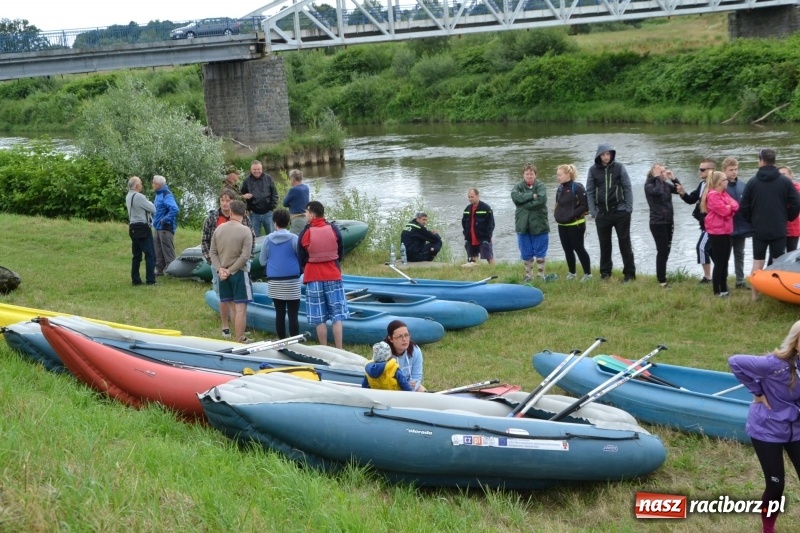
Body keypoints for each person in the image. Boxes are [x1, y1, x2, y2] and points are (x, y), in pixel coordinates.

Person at [729, 320, 800, 533]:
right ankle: (768, 528)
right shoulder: (773, 365)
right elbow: (735, 362)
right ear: (796, 343)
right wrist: (758, 393)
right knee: (776, 484)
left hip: (795, 429)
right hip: (767, 430)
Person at [739, 149, 800, 301]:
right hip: (779, 226)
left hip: (759, 227)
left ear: (761, 160)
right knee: (778, 262)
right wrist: (788, 217)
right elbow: (796, 203)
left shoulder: (753, 182)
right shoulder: (785, 181)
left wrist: (751, 220)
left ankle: (754, 296)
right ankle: (778, 295)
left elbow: (744, 206)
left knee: (757, 261)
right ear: (773, 161)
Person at [201, 190, 256, 338]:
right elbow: (245, 255)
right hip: (237, 271)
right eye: (222, 200)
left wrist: (221, 270)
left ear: (231, 211)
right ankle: (239, 338)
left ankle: (235, 332)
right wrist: (228, 270)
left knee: (231, 304)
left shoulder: (219, 229)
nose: (225, 203)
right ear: (243, 214)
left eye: (228, 201)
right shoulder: (244, 230)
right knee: (240, 308)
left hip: (223, 269)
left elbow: (212, 251)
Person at [298, 200, 350, 349]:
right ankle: (339, 348)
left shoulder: (306, 232)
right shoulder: (333, 228)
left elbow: (300, 255)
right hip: (332, 275)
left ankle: (325, 347)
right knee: (337, 316)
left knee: (319, 317)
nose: (305, 215)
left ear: (312, 214)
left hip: (314, 277)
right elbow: (340, 250)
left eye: (307, 212)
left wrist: (307, 266)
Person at [586, 144, 636, 282]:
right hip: (602, 214)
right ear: (599, 156)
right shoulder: (593, 170)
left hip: (620, 212)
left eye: (608, 154)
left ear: (612, 155)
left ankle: (629, 274)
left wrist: (628, 209)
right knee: (604, 244)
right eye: (603, 154)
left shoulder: (619, 168)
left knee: (624, 243)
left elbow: (627, 187)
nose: (606, 157)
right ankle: (605, 273)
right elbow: (589, 191)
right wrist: (593, 212)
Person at [259, 209, 301, 339]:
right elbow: (300, 256)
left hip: (275, 281)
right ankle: (295, 342)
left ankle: (282, 340)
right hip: (292, 281)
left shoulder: (267, 239)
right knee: (293, 314)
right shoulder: (294, 238)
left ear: (274, 223)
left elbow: (262, 261)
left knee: (279, 313)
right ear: (288, 222)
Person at [511, 163, 553, 282]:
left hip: (539, 223)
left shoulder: (541, 186)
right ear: (523, 175)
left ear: (535, 175)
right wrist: (531, 195)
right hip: (522, 223)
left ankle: (541, 275)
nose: (529, 176)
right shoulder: (518, 186)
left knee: (540, 249)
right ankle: (528, 275)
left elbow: (541, 200)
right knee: (525, 250)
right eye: (527, 173)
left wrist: (524, 204)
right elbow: (515, 197)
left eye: (531, 174)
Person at [677, 158, 716, 284]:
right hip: (705, 224)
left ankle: (708, 277)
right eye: (699, 169)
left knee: (701, 247)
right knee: (710, 250)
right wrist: (683, 194)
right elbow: (691, 199)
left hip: (713, 225)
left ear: (712, 171)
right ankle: (717, 274)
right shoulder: (703, 184)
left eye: (702, 170)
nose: (699, 172)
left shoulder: (717, 185)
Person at [702, 171, 739, 297]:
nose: (727, 181)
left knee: (725, 260)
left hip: (727, 230)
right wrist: (729, 208)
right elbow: (723, 211)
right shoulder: (712, 195)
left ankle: (724, 287)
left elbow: (735, 205)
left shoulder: (724, 194)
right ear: (719, 182)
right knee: (719, 262)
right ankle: (717, 290)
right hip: (717, 232)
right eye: (725, 180)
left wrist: (729, 207)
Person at [644, 163, 680, 288]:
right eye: (661, 171)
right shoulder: (649, 185)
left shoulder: (664, 184)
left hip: (668, 221)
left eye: (664, 171)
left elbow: (678, 190)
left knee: (667, 250)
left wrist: (673, 178)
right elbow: (657, 192)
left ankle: (662, 275)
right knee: (662, 251)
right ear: (654, 173)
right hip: (657, 222)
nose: (663, 173)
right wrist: (658, 177)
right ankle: (662, 280)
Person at [553, 164, 591, 282]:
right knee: (567, 249)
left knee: (579, 248)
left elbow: (585, 206)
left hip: (576, 224)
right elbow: (558, 204)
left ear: (568, 175)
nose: (557, 177)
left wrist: (572, 214)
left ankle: (587, 274)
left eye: (560, 175)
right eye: (557, 175)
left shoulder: (578, 187)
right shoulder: (559, 188)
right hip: (562, 225)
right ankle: (572, 273)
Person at [722, 157, 753, 289]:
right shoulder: (721, 186)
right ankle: (723, 281)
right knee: (724, 256)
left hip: (742, 227)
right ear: (724, 171)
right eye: (731, 170)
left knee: (739, 254)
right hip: (726, 227)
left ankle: (740, 281)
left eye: (736, 169)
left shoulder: (743, 185)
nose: (734, 172)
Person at [125, 176, 156, 286]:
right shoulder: (139, 196)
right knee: (150, 255)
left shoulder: (128, 196)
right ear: (137, 186)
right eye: (141, 183)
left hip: (133, 228)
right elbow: (153, 209)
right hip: (143, 228)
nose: (142, 185)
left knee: (136, 256)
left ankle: (135, 280)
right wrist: (149, 202)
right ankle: (150, 280)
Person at [384, 320, 426, 392]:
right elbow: (381, 379)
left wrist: (408, 388)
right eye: (399, 336)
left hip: (410, 387)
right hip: (389, 389)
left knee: (425, 394)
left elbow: (417, 376)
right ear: (390, 339)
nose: (404, 339)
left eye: (406, 335)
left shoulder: (415, 350)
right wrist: (402, 387)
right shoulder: (383, 353)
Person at [241, 160, 279, 237]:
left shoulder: (268, 178)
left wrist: (272, 207)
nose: (257, 171)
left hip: (268, 213)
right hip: (254, 214)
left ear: (261, 169)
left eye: (259, 169)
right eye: (255, 169)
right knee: (254, 236)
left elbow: (274, 194)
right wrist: (249, 209)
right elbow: (242, 197)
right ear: (251, 170)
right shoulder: (246, 181)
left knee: (272, 235)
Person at [151, 175, 179, 277]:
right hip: (158, 227)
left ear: (158, 185)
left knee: (168, 251)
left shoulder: (166, 195)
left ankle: (172, 271)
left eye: (153, 183)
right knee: (158, 250)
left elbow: (174, 209)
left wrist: (165, 220)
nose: (152, 184)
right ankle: (159, 270)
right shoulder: (158, 194)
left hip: (165, 228)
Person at [461, 188, 495, 265]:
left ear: (478, 196)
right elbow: (464, 224)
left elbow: (491, 224)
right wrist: (466, 235)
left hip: (483, 238)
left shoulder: (486, 208)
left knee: (489, 258)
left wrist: (488, 238)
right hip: (470, 239)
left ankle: (495, 271)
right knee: (472, 260)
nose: (470, 199)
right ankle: (475, 274)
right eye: (469, 197)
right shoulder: (467, 209)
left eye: (472, 197)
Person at [778, 166, 800, 253]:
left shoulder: (797, 189)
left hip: (793, 229)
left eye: (784, 174)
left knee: (791, 255)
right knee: (776, 255)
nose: (782, 177)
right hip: (779, 229)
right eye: (779, 175)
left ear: (791, 175)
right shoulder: (777, 190)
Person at [283, 169, 310, 235]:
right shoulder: (306, 187)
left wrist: (290, 204)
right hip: (306, 217)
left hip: (297, 219)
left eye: (290, 178)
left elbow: (284, 203)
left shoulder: (294, 190)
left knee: (295, 238)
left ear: (293, 179)